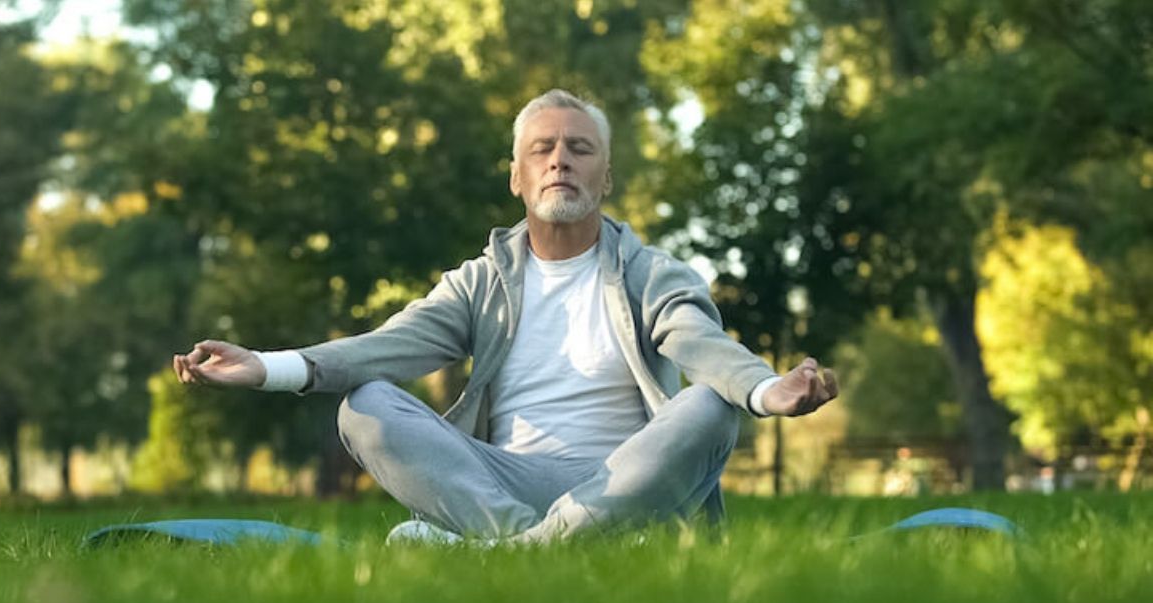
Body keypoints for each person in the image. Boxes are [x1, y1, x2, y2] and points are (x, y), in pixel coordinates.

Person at [173, 89, 838, 544]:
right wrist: (266, 368)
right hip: (499, 480)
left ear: (605, 176)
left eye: (580, 149)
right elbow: (389, 347)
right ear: (517, 176)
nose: (560, 160)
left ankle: (507, 551)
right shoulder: (480, 282)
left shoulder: (651, 273)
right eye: (543, 149)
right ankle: (537, 542)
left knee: (712, 407)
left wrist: (761, 388)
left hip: (629, 478)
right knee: (365, 404)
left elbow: (698, 339)